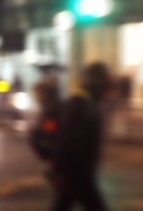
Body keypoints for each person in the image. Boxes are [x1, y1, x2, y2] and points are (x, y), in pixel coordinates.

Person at [50, 62, 111, 211]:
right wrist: (59, 170)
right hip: (77, 174)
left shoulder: (86, 103)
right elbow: (65, 139)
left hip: (78, 173)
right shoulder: (80, 104)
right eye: (103, 81)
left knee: (62, 205)